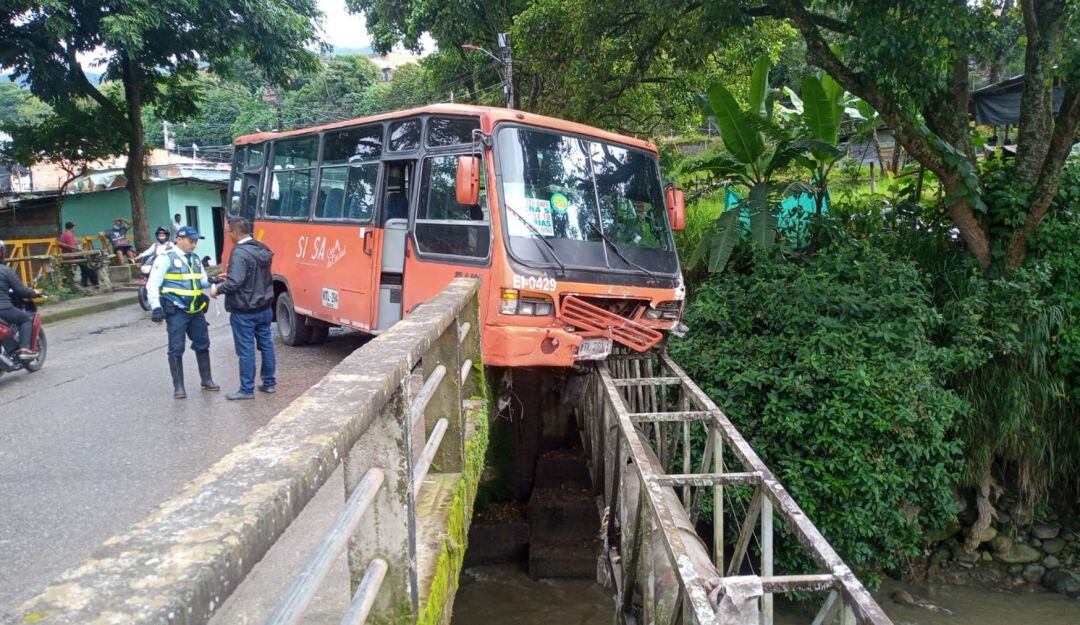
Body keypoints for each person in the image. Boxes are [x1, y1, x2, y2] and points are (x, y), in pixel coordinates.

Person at [147, 226, 220, 398]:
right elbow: (152, 284)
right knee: (176, 348)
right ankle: (178, 387)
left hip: (196, 310)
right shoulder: (165, 258)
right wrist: (156, 307)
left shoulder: (195, 259)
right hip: (176, 310)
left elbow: (200, 280)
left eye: (195, 242)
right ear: (179, 239)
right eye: (190, 241)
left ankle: (206, 379)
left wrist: (211, 280)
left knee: (203, 344)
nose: (194, 245)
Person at [211, 217, 275, 400]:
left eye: (229, 232)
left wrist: (217, 290)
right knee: (266, 346)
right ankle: (269, 383)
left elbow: (236, 282)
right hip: (264, 306)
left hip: (244, 309)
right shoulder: (262, 248)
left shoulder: (239, 252)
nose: (229, 235)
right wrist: (231, 275)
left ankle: (246, 390)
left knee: (245, 350)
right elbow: (252, 274)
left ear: (235, 233)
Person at [0, 240, 46, 359]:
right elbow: (22, 291)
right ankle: (25, 349)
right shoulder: (5, 270)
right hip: (3, 309)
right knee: (25, 319)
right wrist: (34, 292)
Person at [58, 221, 99, 287]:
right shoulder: (69, 235)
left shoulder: (63, 234)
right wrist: (81, 251)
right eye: (74, 227)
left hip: (68, 255)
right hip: (71, 256)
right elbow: (73, 248)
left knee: (84, 265)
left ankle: (84, 282)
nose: (74, 228)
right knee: (87, 263)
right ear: (72, 227)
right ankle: (95, 281)